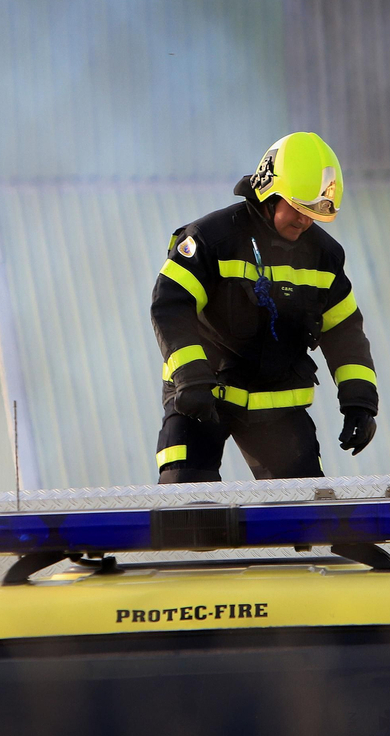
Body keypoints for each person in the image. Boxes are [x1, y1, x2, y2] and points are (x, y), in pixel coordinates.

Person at [151, 132, 378, 483]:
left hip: (276, 408)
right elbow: (170, 306)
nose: (304, 221)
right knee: (189, 515)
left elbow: (344, 331)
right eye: (298, 208)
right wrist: (190, 377)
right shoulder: (211, 240)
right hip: (202, 396)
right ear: (268, 194)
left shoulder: (325, 257)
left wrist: (359, 404)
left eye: (313, 213)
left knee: (305, 520)